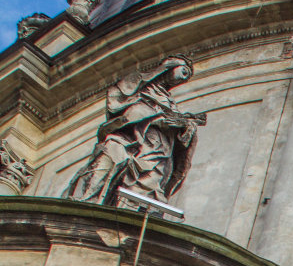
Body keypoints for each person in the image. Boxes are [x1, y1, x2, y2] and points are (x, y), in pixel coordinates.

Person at [64, 57, 205, 207]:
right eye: (184, 71)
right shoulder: (139, 86)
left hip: (157, 149)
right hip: (131, 139)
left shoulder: (169, 102)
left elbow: (179, 137)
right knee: (110, 154)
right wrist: (158, 118)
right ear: (170, 67)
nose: (184, 78)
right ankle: (87, 200)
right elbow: (122, 106)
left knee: (144, 188)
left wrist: (185, 125)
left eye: (188, 76)